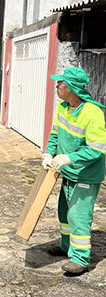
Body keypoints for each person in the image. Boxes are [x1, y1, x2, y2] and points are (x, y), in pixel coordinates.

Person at [42, 67, 106, 275]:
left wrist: (70, 158)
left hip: (86, 174)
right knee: (63, 212)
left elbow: (97, 149)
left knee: (78, 216)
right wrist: (48, 154)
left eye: (60, 83)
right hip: (69, 172)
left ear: (71, 88)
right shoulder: (63, 107)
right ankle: (66, 246)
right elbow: (55, 134)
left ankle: (80, 258)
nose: (57, 85)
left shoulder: (92, 113)